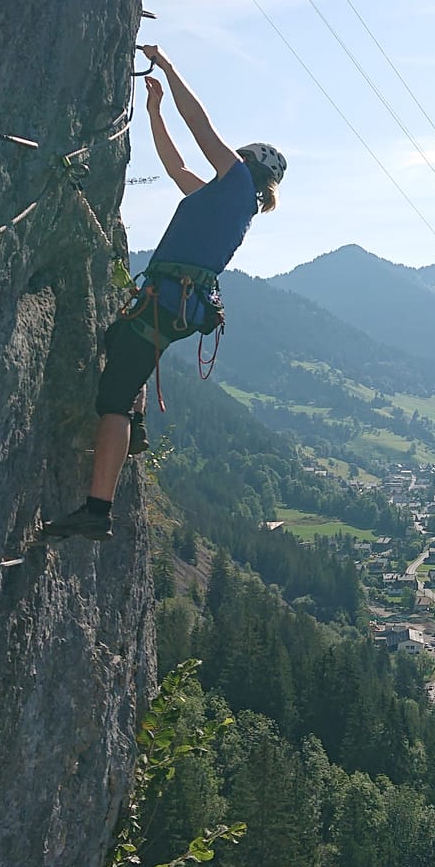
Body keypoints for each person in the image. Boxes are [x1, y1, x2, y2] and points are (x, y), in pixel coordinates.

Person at [38, 44, 285, 541]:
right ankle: (137, 426)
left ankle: (97, 509)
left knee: (112, 398)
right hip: (174, 306)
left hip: (167, 301)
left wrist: (169, 68)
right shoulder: (225, 200)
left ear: (246, 163)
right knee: (120, 342)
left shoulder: (236, 183)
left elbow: (200, 126)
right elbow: (175, 167)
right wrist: (154, 111)